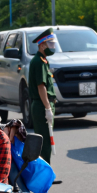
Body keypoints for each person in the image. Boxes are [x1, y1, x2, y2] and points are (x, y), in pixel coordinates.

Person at [28, 28, 59, 171]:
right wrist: (47, 108)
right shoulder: (39, 62)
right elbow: (41, 87)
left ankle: (46, 173)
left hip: (44, 105)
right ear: (42, 45)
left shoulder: (44, 61)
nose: (53, 47)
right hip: (41, 106)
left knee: (47, 141)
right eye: (50, 44)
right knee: (44, 142)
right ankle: (43, 174)